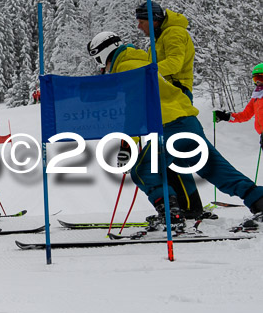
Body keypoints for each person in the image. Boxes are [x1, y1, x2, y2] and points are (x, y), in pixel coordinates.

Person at [87, 31, 263, 231]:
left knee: (143, 169)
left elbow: (133, 108)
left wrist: (127, 144)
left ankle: (171, 214)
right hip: (188, 123)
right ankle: (259, 201)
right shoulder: (141, 62)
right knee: (215, 169)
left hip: (171, 127)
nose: (101, 67)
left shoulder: (126, 69)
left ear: (103, 52)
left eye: (98, 60)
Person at [134, 1, 205, 219]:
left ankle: (188, 208)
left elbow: (175, 63)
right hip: (166, 97)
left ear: (154, 19)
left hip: (176, 96)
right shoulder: (160, 37)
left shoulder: (174, 32)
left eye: (142, 21)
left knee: (170, 156)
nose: (139, 27)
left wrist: (147, 72)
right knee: (174, 158)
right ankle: (189, 206)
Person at [215, 63, 263, 151]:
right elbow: (245, 115)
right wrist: (227, 117)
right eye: (256, 79)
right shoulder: (256, 98)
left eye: (261, 78)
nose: (258, 82)